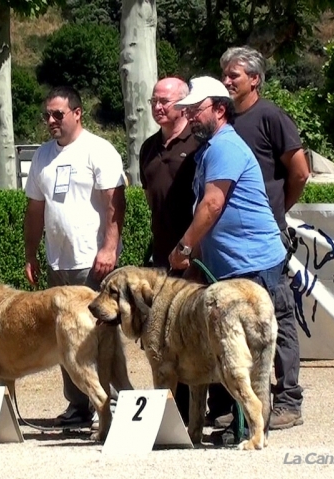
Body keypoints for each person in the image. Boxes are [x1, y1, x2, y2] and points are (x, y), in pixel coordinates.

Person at [167, 76, 287, 442]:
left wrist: (184, 248)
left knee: (252, 349)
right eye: (185, 111)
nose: (189, 118)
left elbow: (213, 204)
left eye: (195, 111)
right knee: (231, 348)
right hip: (231, 266)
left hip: (253, 262)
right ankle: (241, 425)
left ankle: (257, 427)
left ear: (219, 109)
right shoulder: (210, 150)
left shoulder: (225, 147)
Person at [211, 46, 310, 431]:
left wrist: (276, 212)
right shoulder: (222, 122)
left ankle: (288, 400)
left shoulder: (270, 116)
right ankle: (240, 402)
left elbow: (299, 172)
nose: (227, 80)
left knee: (278, 318)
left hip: (266, 243)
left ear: (255, 79)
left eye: (234, 74)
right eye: (224, 74)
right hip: (229, 247)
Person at [23, 85, 126, 429]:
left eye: (58, 114)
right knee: (65, 336)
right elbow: (35, 209)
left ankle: (117, 402)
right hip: (58, 263)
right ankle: (78, 407)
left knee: (101, 334)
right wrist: (30, 253)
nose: (51, 121)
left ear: (77, 113)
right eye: (47, 115)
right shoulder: (42, 156)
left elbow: (115, 202)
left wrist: (109, 248)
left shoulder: (99, 150)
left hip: (92, 261)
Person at [139, 77, 199, 424]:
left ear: (183, 104)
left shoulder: (199, 142)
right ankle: (178, 412)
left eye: (166, 101)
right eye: (154, 101)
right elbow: (151, 198)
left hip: (198, 254)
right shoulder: (148, 147)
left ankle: (220, 411)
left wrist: (193, 246)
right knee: (168, 334)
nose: (159, 107)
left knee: (201, 331)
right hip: (163, 257)